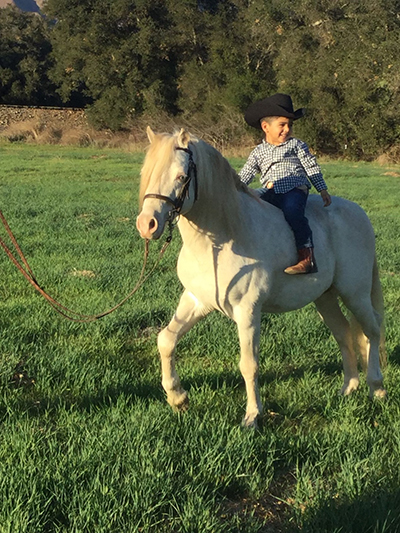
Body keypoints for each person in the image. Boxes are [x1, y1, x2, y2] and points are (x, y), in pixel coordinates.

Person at [239, 93, 331, 275]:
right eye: (282, 125)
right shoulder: (258, 152)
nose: (287, 129)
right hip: (270, 190)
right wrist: (235, 187)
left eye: (290, 125)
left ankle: (306, 258)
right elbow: (247, 172)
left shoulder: (296, 145)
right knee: (250, 206)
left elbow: (311, 166)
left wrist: (322, 189)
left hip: (294, 188)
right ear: (265, 127)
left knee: (293, 213)